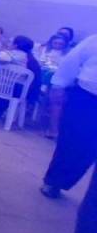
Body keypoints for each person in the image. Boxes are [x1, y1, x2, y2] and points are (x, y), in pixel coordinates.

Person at [40, 35, 97, 199]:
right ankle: (54, 182)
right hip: (88, 97)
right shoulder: (94, 41)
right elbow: (72, 61)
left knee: (90, 151)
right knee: (72, 142)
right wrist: (59, 85)